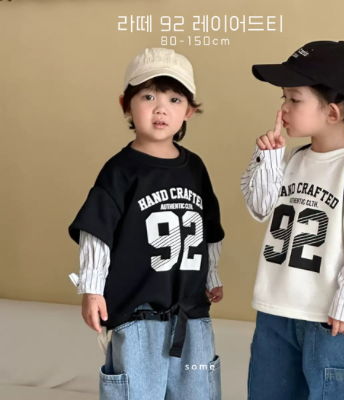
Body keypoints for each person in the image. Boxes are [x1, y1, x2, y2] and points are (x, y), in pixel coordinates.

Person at [241, 40, 344, 400]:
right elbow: (260, 207)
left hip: (333, 321)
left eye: (294, 99)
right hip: (276, 311)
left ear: (331, 112)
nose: (283, 108)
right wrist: (269, 160)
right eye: (283, 97)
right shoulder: (293, 160)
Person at [68, 48, 224, 400]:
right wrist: (92, 289)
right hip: (136, 315)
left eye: (174, 99)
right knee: (136, 392)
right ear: (126, 104)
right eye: (148, 96)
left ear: (189, 111)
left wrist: (212, 276)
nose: (160, 108)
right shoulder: (119, 171)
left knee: (197, 391)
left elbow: (208, 228)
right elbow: (97, 231)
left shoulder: (195, 168)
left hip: (191, 313)